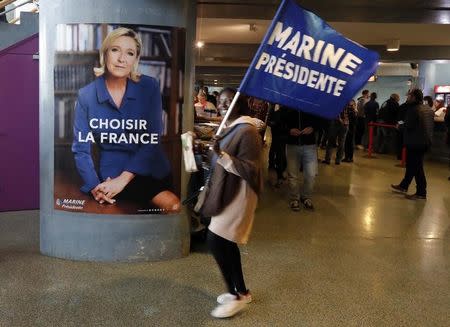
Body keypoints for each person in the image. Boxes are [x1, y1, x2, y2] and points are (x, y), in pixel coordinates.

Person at [72, 27, 180, 213]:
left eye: (130, 53)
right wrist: (94, 186)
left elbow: (152, 139)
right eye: (115, 50)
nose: (122, 59)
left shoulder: (149, 86)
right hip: (111, 175)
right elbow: (81, 148)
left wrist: (123, 180)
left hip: (150, 168)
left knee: (173, 206)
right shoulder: (86, 95)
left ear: (135, 59)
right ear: (105, 54)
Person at [201, 95, 263, 319]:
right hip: (228, 190)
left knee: (215, 240)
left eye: (229, 100)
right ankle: (243, 292)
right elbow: (221, 157)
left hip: (239, 193)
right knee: (226, 241)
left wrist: (222, 154)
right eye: (220, 100)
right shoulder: (231, 127)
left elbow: (251, 169)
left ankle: (233, 295)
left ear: (241, 104)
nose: (222, 104)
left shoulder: (247, 131)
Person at [391, 89, 434, 200]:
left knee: (417, 168)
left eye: (409, 95)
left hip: (415, 142)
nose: (407, 97)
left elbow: (408, 126)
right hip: (425, 142)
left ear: (414, 97)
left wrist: (399, 127)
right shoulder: (428, 109)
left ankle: (421, 192)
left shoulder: (413, 110)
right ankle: (404, 185)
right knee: (412, 166)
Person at [282, 107, 320, 211]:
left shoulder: (312, 105)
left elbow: (321, 121)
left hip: (309, 145)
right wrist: (289, 130)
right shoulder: (287, 105)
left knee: (311, 174)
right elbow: (278, 123)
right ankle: (295, 198)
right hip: (292, 144)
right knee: (292, 174)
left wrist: (313, 128)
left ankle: (306, 197)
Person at [267, 104, 287, 187]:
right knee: (278, 152)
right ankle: (279, 174)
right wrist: (272, 123)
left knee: (280, 152)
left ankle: (280, 173)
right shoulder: (274, 106)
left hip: (284, 133)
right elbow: (269, 121)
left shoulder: (287, 108)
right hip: (276, 133)